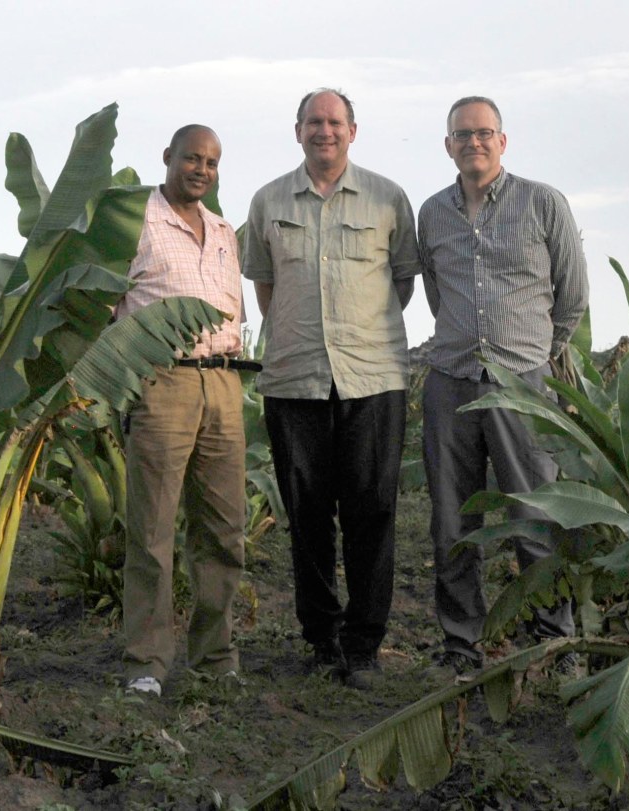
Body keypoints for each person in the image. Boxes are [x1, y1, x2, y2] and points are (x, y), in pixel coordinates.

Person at [241, 88, 420, 682]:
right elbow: (265, 289)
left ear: (353, 130)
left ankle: (364, 644)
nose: (325, 131)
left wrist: (356, 333)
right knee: (307, 514)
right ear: (298, 131)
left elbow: (401, 284)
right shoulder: (268, 201)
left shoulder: (388, 198)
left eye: (335, 122)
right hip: (294, 380)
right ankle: (322, 638)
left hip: (372, 377)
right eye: (314, 122)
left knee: (373, 510)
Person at [418, 96, 589, 673]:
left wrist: (535, 356)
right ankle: (461, 644)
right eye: (462, 135)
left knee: (537, 515)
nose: (474, 143)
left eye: (484, 133)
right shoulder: (432, 213)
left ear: (503, 140)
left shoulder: (543, 203)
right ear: (448, 146)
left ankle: (554, 641)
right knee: (452, 522)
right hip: (452, 380)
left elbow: (573, 297)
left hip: (523, 385)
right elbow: (438, 295)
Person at [117, 124, 256, 697]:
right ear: (168, 158)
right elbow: (104, 307)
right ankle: (147, 662)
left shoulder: (224, 231)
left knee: (224, 529)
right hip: (162, 384)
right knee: (153, 530)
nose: (201, 169)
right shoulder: (137, 224)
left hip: (224, 386)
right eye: (192, 158)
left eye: (212, 162)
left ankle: (215, 657)